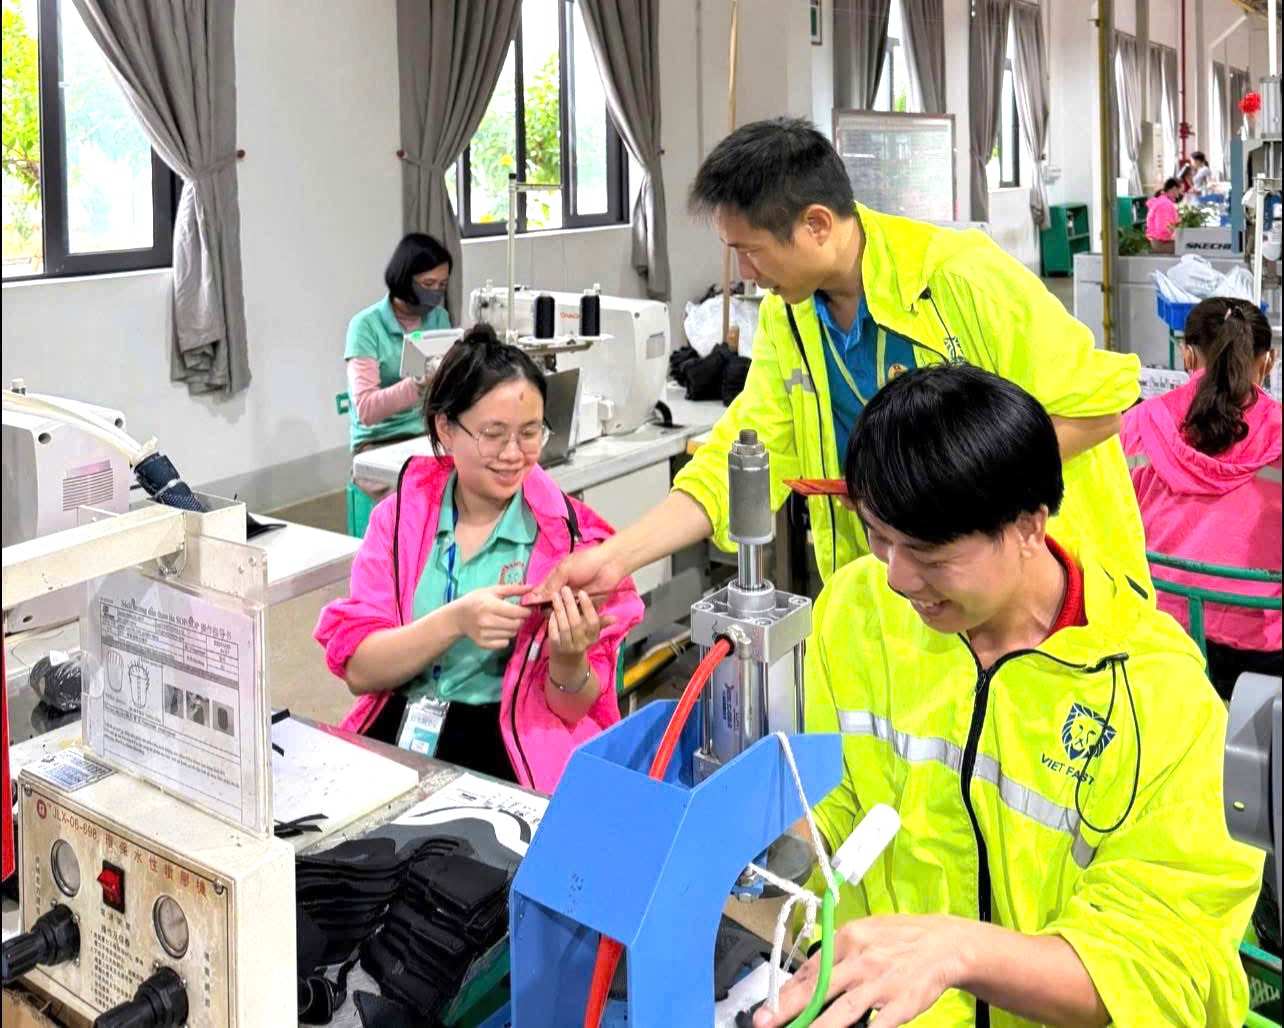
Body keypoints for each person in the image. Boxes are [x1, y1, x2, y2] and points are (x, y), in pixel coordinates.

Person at [756, 364, 1262, 1028]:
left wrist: (962, 951)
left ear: (1029, 526)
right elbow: (831, 801)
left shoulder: (1159, 696)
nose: (898, 577)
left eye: (931, 554)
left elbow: (1160, 967)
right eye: (880, 537)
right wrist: (756, 859)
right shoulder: (858, 609)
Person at [532, 118, 1149, 606]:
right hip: (909, 592)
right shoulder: (792, 317)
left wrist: (938, 490)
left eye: (750, 252)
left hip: (1042, 589)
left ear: (817, 225)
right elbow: (743, 453)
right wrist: (618, 558)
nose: (744, 275)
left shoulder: (958, 277)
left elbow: (1100, 410)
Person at [316, 323, 644, 791]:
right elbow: (361, 672)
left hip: (509, 746)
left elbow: (572, 709)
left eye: (531, 432)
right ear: (445, 428)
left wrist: (568, 660)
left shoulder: (570, 544)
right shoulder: (399, 522)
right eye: (493, 434)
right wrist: (454, 622)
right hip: (402, 729)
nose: (514, 454)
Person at [1122, 297, 1281, 699]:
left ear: (1187, 354)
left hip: (1159, 638)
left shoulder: (1139, 423)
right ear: (1269, 361)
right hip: (1261, 656)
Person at [347, 233, 454, 498]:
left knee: (478, 485)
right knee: (418, 500)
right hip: (379, 445)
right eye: (428, 283)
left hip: (429, 437)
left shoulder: (439, 318)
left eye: (442, 285)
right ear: (404, 278)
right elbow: (366, 410)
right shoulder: (366, 327)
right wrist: (418, 385)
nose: (435, 293)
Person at [1144, 177, 1183, 253]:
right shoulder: (1165, 204)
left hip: (1157, 243)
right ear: (1174, 189)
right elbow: (1163, 231)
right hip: (1161, 244)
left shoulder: (1162, 201)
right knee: (1188, 247)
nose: (1178, 196)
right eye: (1178, 192)